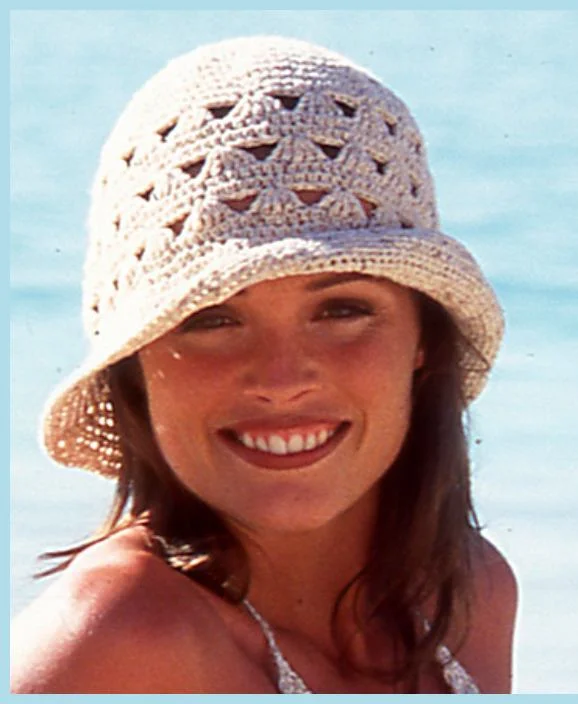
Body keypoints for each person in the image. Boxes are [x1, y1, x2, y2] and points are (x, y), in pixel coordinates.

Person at [10, 36, 516, 694]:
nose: (281, 380)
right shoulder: (116, 643)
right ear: (135, 364)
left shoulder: (468, 592)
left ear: (422, 339)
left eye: (340, 311)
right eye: (212, 320)